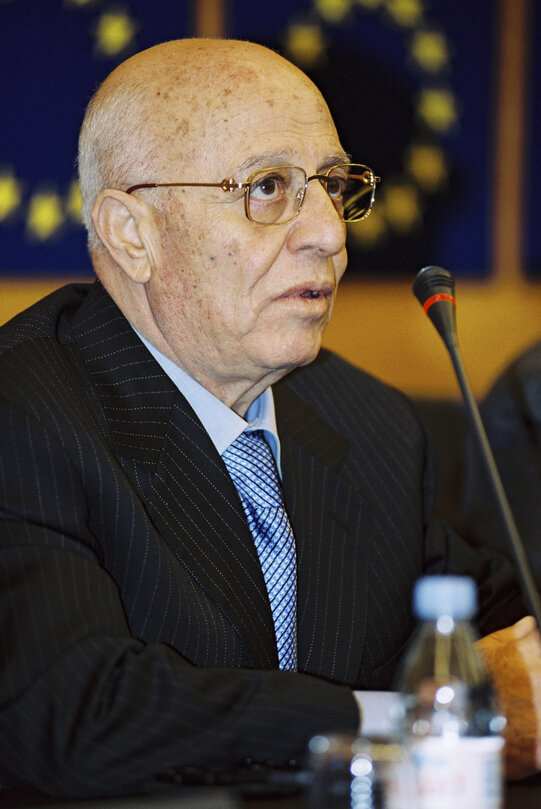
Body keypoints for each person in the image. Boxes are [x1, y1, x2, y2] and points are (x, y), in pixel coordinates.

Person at [0, 38, 539, 799]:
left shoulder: (369, 423)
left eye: (332, 186)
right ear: (132, 234)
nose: (329, 233)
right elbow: (78, 712)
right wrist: (415, 722)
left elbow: (499, 631)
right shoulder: (21, 412)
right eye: (268, 188)